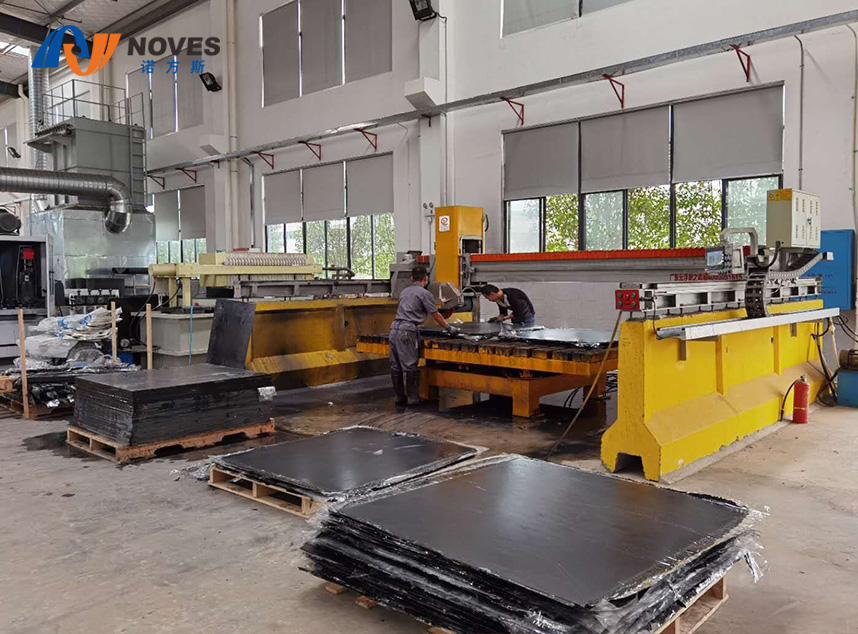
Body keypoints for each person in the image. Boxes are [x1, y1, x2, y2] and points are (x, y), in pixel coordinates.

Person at [390, 266, 459, 410]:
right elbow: (435, 314)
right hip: (407, 330)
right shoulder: (424, 293)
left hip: (394, 329)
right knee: (410, 365)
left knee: (396, 366)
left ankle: (400, 398)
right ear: (426, 279)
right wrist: (449, 328)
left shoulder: (404, 291)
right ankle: (413, 398)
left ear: (411, 279)